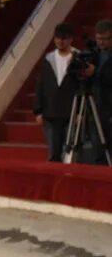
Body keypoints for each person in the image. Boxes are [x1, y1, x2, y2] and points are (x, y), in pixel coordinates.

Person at [33, 23, 79, 162]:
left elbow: (82, 86)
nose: (60, 41)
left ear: (71, 39)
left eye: (64, 38)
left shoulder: (78, 57)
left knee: (70, 153)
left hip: (71, 112)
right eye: (58, 38)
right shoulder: (49, 59)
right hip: (51, 112)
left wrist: (80, 112)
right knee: (54, 153)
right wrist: (38, 110)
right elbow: (41, 84)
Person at [82, 19, 112, 162]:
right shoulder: (93, 54)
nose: (100, 42)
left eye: (104, 39)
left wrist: (96, 73)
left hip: (110, 108)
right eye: (98, 38)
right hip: (94, 107)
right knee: (97, 151)